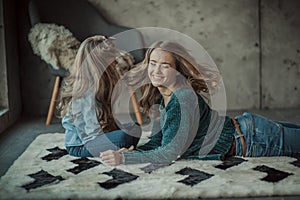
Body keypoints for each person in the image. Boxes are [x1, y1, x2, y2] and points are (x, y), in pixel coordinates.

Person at [100, 40, 300, 166]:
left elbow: (169, 153)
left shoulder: (183, 99)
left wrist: (126, 159)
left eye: (165, 65)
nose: (156, 71)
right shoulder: (163, 95)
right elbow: (159, 140)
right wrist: (134, 151)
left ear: (177, 70)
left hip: (253, 138)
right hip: (247, 129)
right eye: (153, 63)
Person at [58, 35, 141, 157]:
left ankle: (123, 146)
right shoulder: (86, 92)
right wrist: (109, 141)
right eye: (110, 62)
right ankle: (122, 147)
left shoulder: (102, 85)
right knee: (124, 137)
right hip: (81, 145)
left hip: (95, 137)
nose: (114, 64)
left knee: (135, 128)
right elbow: (92, 134)